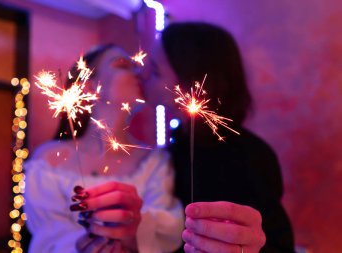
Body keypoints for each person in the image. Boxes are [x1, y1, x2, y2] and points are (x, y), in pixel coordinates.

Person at [143, 22, 295, 253]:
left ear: (189, 82)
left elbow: (278, 245)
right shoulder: (175, 146)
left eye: (155, 71)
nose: (143, 78)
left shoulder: (250, 157)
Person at [24, 44, 184, 253]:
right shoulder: (48, 160)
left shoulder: (155, 162)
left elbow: (166, 232)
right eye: (123, 65)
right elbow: (48, 235)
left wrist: (130, 238)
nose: (138, 73)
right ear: (90, 86)